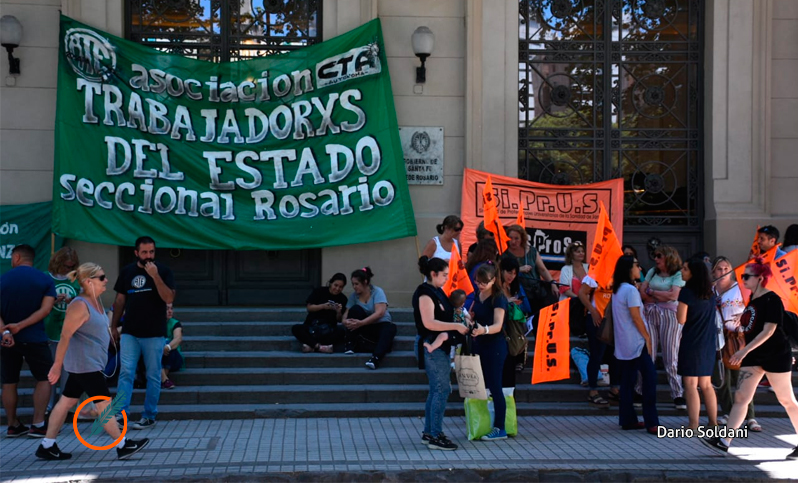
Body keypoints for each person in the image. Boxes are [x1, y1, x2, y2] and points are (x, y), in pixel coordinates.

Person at [34, 263, 149, 461]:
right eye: (102, 277)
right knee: (104, 402)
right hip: (84, 364)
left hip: (91, 362)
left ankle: (47, 444)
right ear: (88, 281)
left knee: (65, 402)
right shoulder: (79, 305)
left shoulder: (95, 301)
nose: (106, 280)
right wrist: (56, 365)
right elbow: (65, 336)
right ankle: (122, 444)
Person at [701, 258, 798, 460]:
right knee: (741, 398)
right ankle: (724, 441)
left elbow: (769, 331)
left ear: (760, 278)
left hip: (774, 355)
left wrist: (743, 351)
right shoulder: (753, 299)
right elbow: (753, 328)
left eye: (747, 276)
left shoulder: (772, 299)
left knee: (787, 400)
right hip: (755, 356)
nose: (742, 279)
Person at [111, 236, 176, 430]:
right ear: (136, 253)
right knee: (126, 373)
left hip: (154, 333)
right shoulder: (127, 272)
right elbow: (120, 300)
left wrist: (155, 276)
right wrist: (114, 326)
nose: (149, 256)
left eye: (152, 252)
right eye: (145, 252)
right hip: (130, 332)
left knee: (154, 375)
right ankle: (121, 415)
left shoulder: (163, 271)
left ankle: (149, 415)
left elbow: (169, 297)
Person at [413, 257, 471, 450]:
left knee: (437, 389)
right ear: (433, 274)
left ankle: (430, 432)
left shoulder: (437, 292)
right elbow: (429, 322)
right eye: (444, 275)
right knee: (441, 389)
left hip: (439, 346)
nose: (447, 278)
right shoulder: (424, 294)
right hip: (431, 345)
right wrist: (456, 325)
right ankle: (435, 435)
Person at [0, 244, 56, 438]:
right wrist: (21, 326)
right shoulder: (44, 280)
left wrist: (6, 331)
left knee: (9, 382)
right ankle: (38, 423)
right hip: (35, 337)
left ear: (16, 257)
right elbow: (45, 310)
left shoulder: (2, 280)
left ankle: (12, 424)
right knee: (44, 378)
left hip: (7, 340)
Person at [712, 256, 760, 431]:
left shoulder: (740, 288)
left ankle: (751, 417)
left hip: (738, 337)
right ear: (713, 271)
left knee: (744, 378)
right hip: (718, 338)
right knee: (721, 378)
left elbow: (754, 307)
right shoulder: (711, 290)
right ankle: (728, 413)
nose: (722, 272)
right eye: (719, 269)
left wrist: (745, 316)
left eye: (726, 269)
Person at [611, 256, 658, 434]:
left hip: (624, 342)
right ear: (629, 269)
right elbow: (636, 317)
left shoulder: (618, 289)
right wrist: (647, 337)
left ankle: (628, 419)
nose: (640, 268)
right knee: (650, 379)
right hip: (637, 342)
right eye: (637, 265)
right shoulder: (630, 290)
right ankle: (651, 421)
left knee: (628, 381)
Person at [639, 245, 686, 409]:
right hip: (651, 313)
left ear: (669, 257)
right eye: (655, 256)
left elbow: (674, 295)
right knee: (647, 353)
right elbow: (642, 292)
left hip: (670, 316)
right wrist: (659, 295)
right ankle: (641, 391)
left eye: (659, 256)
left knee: (671, 355)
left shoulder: (678, 274)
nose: (656, 259)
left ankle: (677, 393)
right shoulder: (652, 272)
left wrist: (652, 293)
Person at [468, 263, 509, 441]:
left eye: (484, 282)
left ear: (493, 280)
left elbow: (498, 325)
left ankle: (500, 427)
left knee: (495, 386)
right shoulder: (479, 294)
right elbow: (473, 313)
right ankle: (484, 422)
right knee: (483, 385)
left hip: (495, 345)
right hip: (480, 343)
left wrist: (482, 330)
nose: (480, 285)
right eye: (477, 282)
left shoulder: (499, 298)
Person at [676, 258, 718, 430]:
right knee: (706, 385)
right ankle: (713, 422)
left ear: (693, 273)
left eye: (685, 269)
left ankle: (693, 424)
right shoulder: (711, 293)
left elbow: (681, 319)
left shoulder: (686, 293)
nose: (682, 271)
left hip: (692, 341)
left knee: (691, 384)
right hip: (708, 342)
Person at [42, 247, 81, 414]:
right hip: (50, 330)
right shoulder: (46, 278)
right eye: (66, 266)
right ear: (58, 263)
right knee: (50, 373)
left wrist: (72, 300)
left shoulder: (76, 279)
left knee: (68, 373)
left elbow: (84, 301)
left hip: (70, 332)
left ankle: (65, 408)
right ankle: (48, 407)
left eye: (72, 266)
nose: (68, 269)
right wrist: (52, 300)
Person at [342, 267, 397, 370]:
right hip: (364, 327)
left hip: (380, 325)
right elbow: (346, 313)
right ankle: (350, 344)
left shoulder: (377, 291)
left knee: (390, 329)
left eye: (356, 284)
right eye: (353, 284)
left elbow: (380, 313)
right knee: (355, 309)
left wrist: (361, 323)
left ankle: (375, 358)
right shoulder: (354, 296)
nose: (354, 287)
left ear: (365, 282)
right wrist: (344, 321)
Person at [503, 224, 559, 314]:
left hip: (537, 292)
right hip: (519, 294)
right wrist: (519, 269)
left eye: (516, 238)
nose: (513, 241)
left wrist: (552, 283)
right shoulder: (504, 253)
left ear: (522, 239)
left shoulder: (531, 250)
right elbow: (501, 271)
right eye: (510, 238)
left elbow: (542, 269)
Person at [292, 273, 348, 353]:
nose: (337, 289)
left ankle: (311, 346)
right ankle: (319, 347)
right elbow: (309, 308)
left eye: (341, 287)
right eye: (335, 285)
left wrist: (338, 312)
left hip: (328, 330)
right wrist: (323, 306)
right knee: (296, 328)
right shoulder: (319, 291)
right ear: (331, 283)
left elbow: (339, 320)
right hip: (312, 325)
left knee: (342, 331)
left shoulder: (343, 298)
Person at [498, 256, 532, 375]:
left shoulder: (515, 287)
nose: (511, 276)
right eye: (509, 272)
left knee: (510, 377)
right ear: (501, 270)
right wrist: (506, 303)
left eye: (514, 273)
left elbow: (526, 308)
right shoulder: (495, 288)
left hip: (514, 334)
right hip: (500, 335)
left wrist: (517, 306)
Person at [161, 305, 183, 389]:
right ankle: (164, 380)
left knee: (171, 348)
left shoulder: (175, 323)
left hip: (173, 358)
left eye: (171, 308)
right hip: (158, 356)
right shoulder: (154, 323)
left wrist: (167, 347)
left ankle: (162, 378)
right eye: (167, 309)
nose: (170, 311)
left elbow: (178, 339)